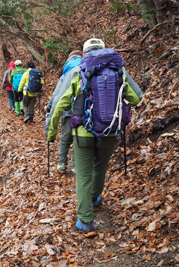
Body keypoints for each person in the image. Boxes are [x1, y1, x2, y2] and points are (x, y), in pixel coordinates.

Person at [46, 38, 143, 238]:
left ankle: (86, 221)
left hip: (82, 134)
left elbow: (59, 105)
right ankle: (93, 198)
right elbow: (136, 98)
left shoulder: (77, 71)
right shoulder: (118, 70)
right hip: (109, 131)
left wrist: (52, 133)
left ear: (84, 52)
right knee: (100, 168)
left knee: (83, 175)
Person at [44, 50, 82, 174]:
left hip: (67, 109)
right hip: (82, 111)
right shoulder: (86, 69)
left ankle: (62, 162)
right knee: (78, 138)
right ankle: (76, 165)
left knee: (65, 137)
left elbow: (57, 94)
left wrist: (49, 107)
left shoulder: (67, 73)